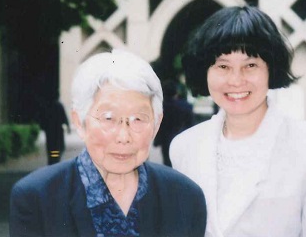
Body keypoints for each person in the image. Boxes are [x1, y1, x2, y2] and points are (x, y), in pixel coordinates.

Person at [170, 6, 306, 237]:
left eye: (250, 65)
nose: (236, 80)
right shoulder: (184, 147)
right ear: (205, 72)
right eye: (223, 66)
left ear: (270, 69)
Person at [10, 49, 206, 237]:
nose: (123, 136)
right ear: (80, 122)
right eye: (109, 118)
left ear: (156, 124)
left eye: (138, 119)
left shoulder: (186, 197)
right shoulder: (35, 197)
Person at [153, 79, 194, 167]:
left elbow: (158, 126)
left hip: (166, 140)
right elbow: (190, 124)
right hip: (182, 137)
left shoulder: (160, 108)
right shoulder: (185, 106)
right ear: (176, 92)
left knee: (167, 164)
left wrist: (157, 140)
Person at [38, 98, 71, 165]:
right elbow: (64, 117)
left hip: (50, 131)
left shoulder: (47, 106)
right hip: (57, 130)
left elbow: (42, 119)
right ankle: (55, 160)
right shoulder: (58, 105)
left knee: (52, 147)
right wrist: (68, 126)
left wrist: (44, 127)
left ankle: (53, 160)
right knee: (57, 147)